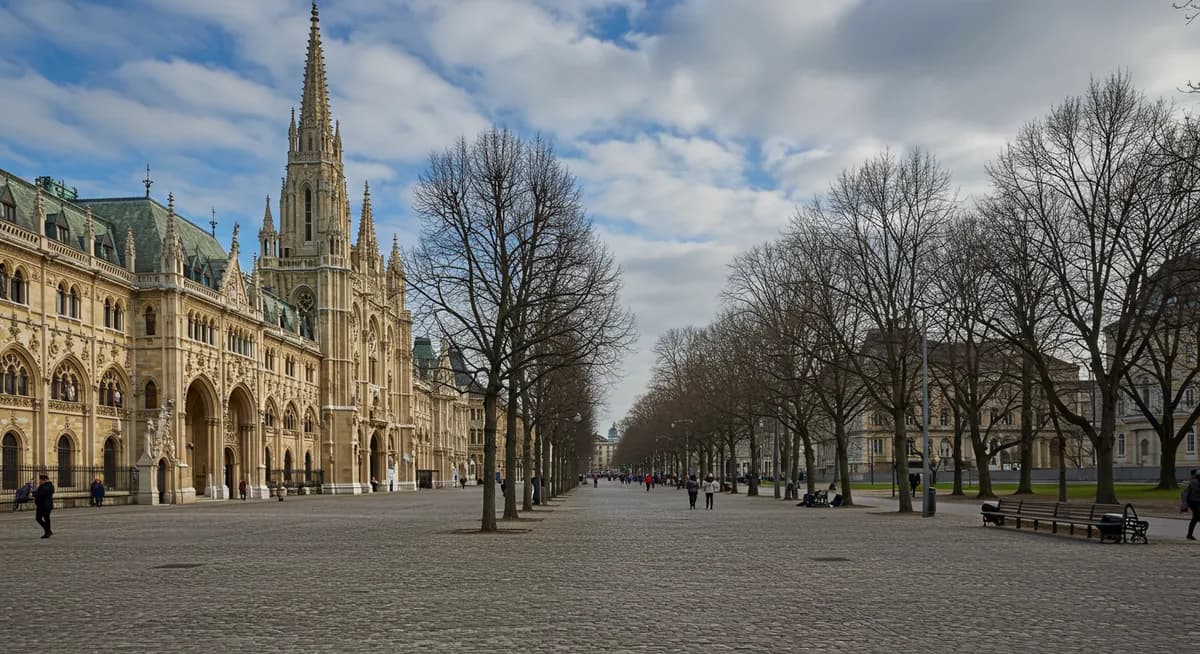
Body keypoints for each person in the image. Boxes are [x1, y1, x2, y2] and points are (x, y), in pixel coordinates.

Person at [33, 474, 53, 538]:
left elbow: (41, 494)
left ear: (44, 480)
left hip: (44, 505)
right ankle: (48, 531)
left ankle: (47, 531)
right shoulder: (48, 486)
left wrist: (35, 494)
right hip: (44, 505)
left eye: (40, 480)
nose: (39, 482)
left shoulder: (46, 486)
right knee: (44, 518)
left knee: (41, 518)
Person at [1183, 469, 1200, 541]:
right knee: (1196, 517)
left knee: (1195, 518)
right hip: (1193, 502)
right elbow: (1196, 490)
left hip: (1197, 501)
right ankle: (1189, 535)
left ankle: (1189, 535)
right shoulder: (1194, 482)